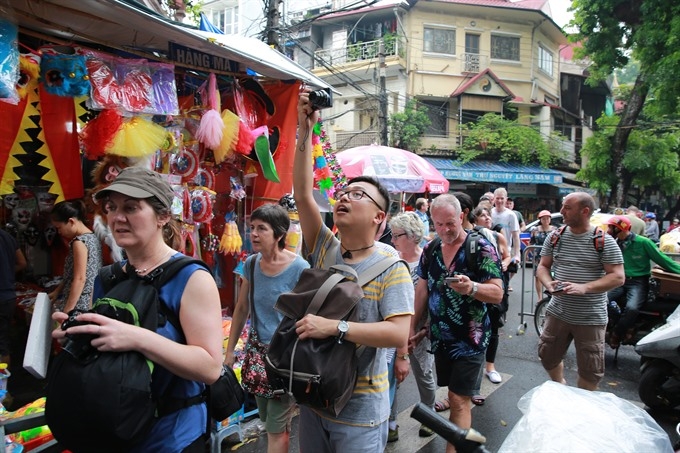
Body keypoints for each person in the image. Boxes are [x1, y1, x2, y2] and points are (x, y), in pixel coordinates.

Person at [53, 166, 224, 452]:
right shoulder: (109, 277)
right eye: (112, 207)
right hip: (120, 432)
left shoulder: (191, 278)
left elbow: (210, 368)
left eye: (132, 207)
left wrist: (135, 337)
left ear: (162, 216)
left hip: (173, 439)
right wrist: (81, 333)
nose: (118, 217)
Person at [293, 90, 414, 452]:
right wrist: (305, 130)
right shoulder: (325, 248)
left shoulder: (393, 268)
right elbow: (302, 194)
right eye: (344, 192)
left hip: (360, 411)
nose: (345, 197)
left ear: (380, 217)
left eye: (358, 195)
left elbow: (397, 334)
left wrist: (334, 327)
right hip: (313, 396)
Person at [412, 194, 503, 453]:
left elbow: (497, 293)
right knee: (455, 396)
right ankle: (473, 445)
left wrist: (472, 288)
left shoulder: (480, 247)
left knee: (458, 400)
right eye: (438, 224)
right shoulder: (431, 248)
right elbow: (422, 290)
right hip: (441, 338)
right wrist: (414, 328)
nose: (444, 230)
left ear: (462, 216)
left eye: (449, 223)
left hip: (470, 340)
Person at [224, 204, 308, 453]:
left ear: (280, 234)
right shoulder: (251, 264)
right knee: (267, 420)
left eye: (262, 228)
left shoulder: (299, 268)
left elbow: (307, 315)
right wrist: (230, 352)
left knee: (276, 427)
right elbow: (241, 309)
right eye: (252, 228)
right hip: (256, 356)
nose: (254, 234)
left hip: (284, 359)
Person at [535, 192, 624, 390]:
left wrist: (585, 288)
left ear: (584, 211)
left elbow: (618, 276)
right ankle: (559, 385)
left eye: (567, 207)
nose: (561, 211)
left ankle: (581, 408)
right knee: (547, 356)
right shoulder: (555, 236)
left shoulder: (604, 241)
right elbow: (543, 266)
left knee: (590, 371)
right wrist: (549, 283)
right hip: (558, 312)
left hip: (590, 317)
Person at [388, 212, 435, 440]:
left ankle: (429, 417)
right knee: (390, 377)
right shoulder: (390, 258)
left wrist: (422, 328)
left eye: (397, 235)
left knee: (423, 375)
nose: (393, 240)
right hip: (394, 330)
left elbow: (433, 298)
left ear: (413, 236)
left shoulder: (427, 260)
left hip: (420, 332)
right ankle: (391, 423)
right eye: (392, 235)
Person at [605, 215, 680, 348]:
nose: (608, 230)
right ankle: (622, 325)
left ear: (619, 229)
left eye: (611, 227)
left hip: (638, 282)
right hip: (617, 280)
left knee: (632, 308)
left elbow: (663, 260)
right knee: (601, 301)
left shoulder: (643, 242)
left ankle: (617, 333)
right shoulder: (613, 243)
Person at [471, 205, 511, 399]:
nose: (487, 218)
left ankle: (490, 366)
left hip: (495, 287)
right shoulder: (471, 238)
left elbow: (508, 254)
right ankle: (471, 386)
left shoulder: (497, 236)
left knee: (493, 328)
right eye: (482, 215)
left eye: (488, 214)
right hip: (477, 290)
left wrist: (506, 262)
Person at [48, 200, 103, 313]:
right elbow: (72, 273)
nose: (59, 232)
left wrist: (68, 310)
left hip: (80, 303)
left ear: (71, 221)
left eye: (59, 227)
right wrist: (58, 291)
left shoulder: (79, 242)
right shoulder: (93, 237)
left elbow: (80, 279)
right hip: (92, 298)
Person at [0, 228, 27, 366]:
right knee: (3, 345)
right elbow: (22, 263)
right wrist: (7, 273)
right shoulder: (8, 237)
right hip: (8, 297)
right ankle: (3, 384)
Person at [491, 188, 520, 290]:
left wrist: (517, 255)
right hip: (491, 250)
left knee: (504, 280)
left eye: (502, 198)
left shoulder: (511, 215)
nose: (499, 201)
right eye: (497, 198)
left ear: (506, 199)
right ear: (493, 199)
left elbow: (516, 236)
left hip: (505, 252)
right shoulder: (490, 213)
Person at [531, 210, 557, 300]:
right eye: (543, 218)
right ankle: (540, 298)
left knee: (552, 274)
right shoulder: (535, 230)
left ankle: (551, 294)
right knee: (538, 276)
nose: (546, 220)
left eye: (547, 218)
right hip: (538, 256)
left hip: (551, 256)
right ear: (540, 219)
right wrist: (530, 254)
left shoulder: (555, 230)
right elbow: (531, 243)